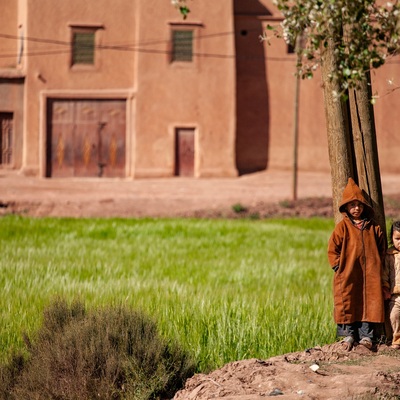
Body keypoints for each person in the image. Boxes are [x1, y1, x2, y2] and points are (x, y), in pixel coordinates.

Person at [327, 177, 386, 351]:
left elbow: (381, 248)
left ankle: (367, 336)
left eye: (359, 205)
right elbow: (332, 249)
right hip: (348, 273)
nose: (356, 208)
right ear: (345, 207)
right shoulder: (342, 228)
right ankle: (348, 336)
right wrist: (339, 266)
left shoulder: (373, 228)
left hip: (370, 274)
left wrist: (377, 264)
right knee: (347, 301)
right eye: (352, 205)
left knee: (370, 302)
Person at [382, 221, 400, 349]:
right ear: (391, 239)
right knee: (394, 316)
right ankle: (397, 339)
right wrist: (385, 288)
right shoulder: (389, 255)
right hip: (396, 295)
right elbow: (385, 274)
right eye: (398, 239)